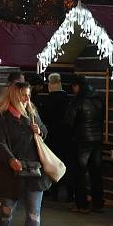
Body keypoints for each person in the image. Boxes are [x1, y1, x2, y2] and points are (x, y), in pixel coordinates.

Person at [0, 81, 49, 226]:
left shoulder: (32, 113)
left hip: (33, 168)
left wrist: (39, 130)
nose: (27, 98)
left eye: (29, 94)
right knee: (7, 208)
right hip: (11, 170)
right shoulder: (0, 117)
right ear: (14, 95)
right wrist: (10, 159)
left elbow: (45, 131)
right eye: (24, 94)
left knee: (34, 212)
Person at [65, 75, 104, 214]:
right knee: (96, 172)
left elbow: (69, 121)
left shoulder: (78, 101)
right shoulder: (99, 99)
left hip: (81, 140)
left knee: (80, 172)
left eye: (74, 87)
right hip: (97, 140)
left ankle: (82, 204)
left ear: (77, 86)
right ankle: (98, 203)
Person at [0, 71, 25, 207]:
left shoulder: (4, 91)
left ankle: (0, 195)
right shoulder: (6, 92)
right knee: (3, 164)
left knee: (4, 163)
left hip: (3, 134)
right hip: (3, 134)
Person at [39, 73, 73, 201]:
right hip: (66, 137)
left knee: (52, 163)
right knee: (66, 164)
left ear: (50, 84)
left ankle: (54, 192)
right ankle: (70, 194)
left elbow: (43, 120)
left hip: (52, 137)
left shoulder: (46, 101)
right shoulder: (68, 100)